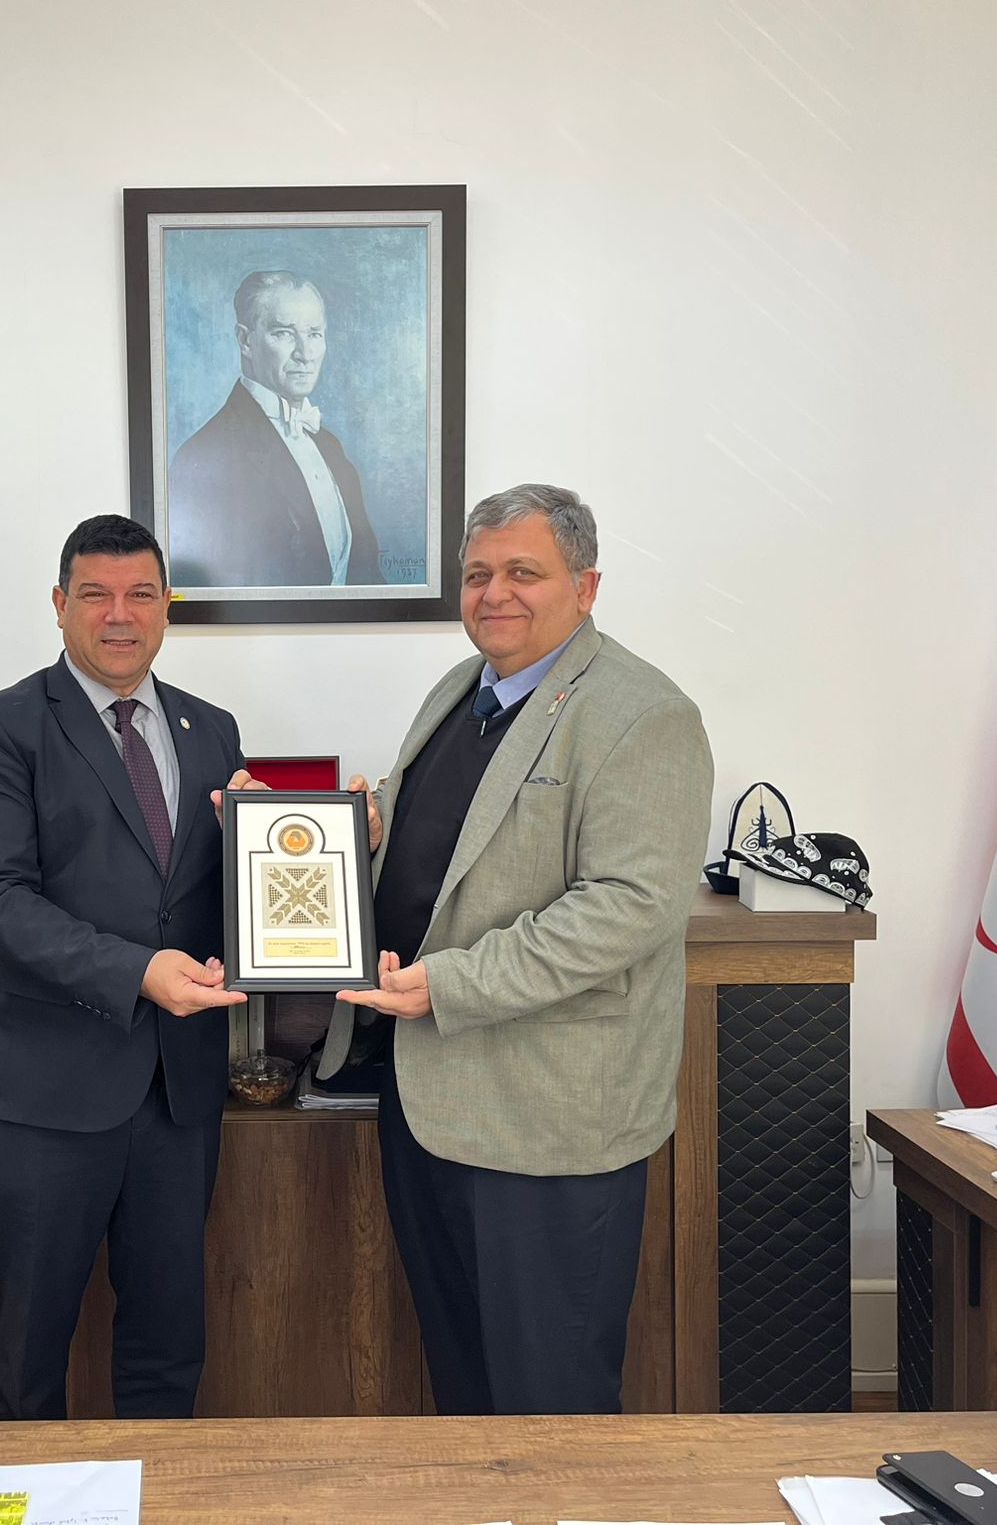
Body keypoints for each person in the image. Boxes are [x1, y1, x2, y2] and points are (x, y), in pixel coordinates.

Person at [320, 482, 714, 1416]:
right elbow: (446, 849)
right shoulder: (461, 691)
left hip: (546, 1123)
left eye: (523, 573)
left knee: (550, 1403)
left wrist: (448, 985)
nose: (494, 593)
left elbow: (626, 908)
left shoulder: (642, 714)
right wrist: (343, 838)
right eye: (477, 575)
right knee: (464, 1389)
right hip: (432, 1103)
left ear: (586, 585)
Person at [0, 514, 256, 1421]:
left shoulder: (212, 730)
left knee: (169, 1346)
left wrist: (295, 850)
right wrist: (137, 971)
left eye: (141, 595)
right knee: (29, 1354)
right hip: (47, 1093)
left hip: (177, 1094)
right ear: (59, 604)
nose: (120, 615)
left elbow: (221, 897)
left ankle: (158, 1490)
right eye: (96, 595)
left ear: (167, 606)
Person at [166, 270, 382, 588]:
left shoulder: (330, 446)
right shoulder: (204, 455)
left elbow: (366, 576)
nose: (305, 354)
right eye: (283, 333)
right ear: (245, 340)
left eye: (314, 334)